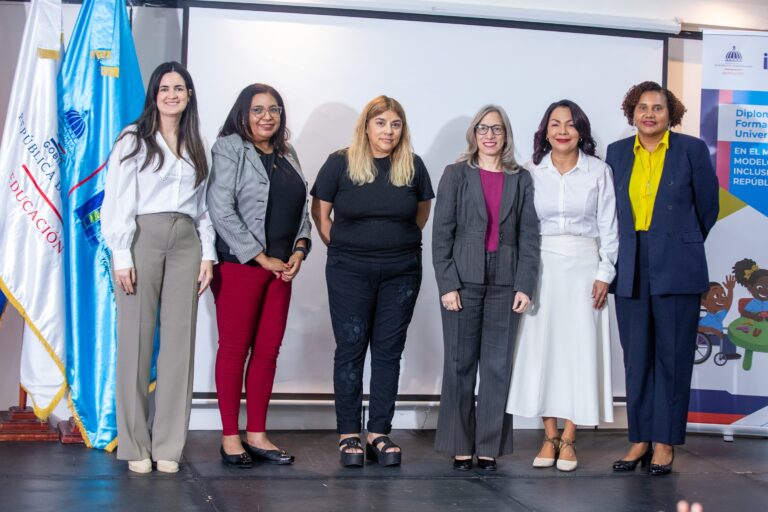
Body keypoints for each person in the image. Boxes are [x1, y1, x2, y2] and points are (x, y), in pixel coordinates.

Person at [102, 61, 216, 474]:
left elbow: (204, 207)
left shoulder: (197, 141)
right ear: (154, 94)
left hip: (186, 240)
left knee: (179, 345)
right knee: (135, 341)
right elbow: (115, 201)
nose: (172, 94)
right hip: (142, 238)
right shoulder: (133, 139)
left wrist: (208, 254)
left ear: (189, 96)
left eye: (180, 88)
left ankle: (168, 445)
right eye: (165, 87)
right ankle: (135, 446)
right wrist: (120, 255)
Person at [311, 95, 433, 467]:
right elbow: (321, 213)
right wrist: (349, 248)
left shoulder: (412, 165)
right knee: (350, 349)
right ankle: (349, 433)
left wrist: (392, 246)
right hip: (349, 271)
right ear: (366, 126)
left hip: (401, 273)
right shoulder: (340, 163)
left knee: (388, 352)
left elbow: (420, 214)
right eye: (381, 123)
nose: (388, 131)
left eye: (395, 124)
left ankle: (379, 431)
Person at [607, 81, 719, 476]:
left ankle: (665, 442)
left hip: (677, 263)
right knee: (636, 357)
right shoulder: (617, 153)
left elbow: (708, 208)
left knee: (672, 357)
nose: (649, 114)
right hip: (630, 263)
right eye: (642, 107)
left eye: (657, 107)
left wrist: (678, 242)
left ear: (670, 114)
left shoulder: (691, 150)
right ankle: (639, 437)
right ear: (632, 113)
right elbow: (611, 210)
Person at [505, 100, 618, 472]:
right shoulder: (529, 172)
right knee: (543, 350)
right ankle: (548, 435)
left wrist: (605, 272)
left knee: (578, 351)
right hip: (541, 267)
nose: (563, 130)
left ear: (581, 130)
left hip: (585, 267)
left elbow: (609, 227)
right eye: (555, 124)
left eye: (570, 124)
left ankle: (570, 437)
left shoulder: (599, 171)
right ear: (545, 131)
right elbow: (521, 228)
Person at [207, 84, 311, 468]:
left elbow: (303, 208)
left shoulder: (288, 153)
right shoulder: (229, 148)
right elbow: (221, 209)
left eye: (274, 109)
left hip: (282, 270)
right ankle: (230, 437)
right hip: (240, 265)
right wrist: (260, 256)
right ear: (243, 113)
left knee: (268, 352)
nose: (267, 116)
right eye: (258, 109)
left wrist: (300, 248)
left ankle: (257, 434)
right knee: (235, 351)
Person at [432, 105, 539, 471]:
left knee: (497, 367)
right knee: (460, 365)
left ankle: (489, 446)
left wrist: (525, 284)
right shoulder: (455, 174)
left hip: (506, 285)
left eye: (496, 129)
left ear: (506, 135)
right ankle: (460, 444)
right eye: (483, 128)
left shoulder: (520, 178)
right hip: (463, 281)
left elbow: (530, 237)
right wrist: (447, 284)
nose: (489, 135)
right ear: (474, 134)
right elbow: (441, 234)